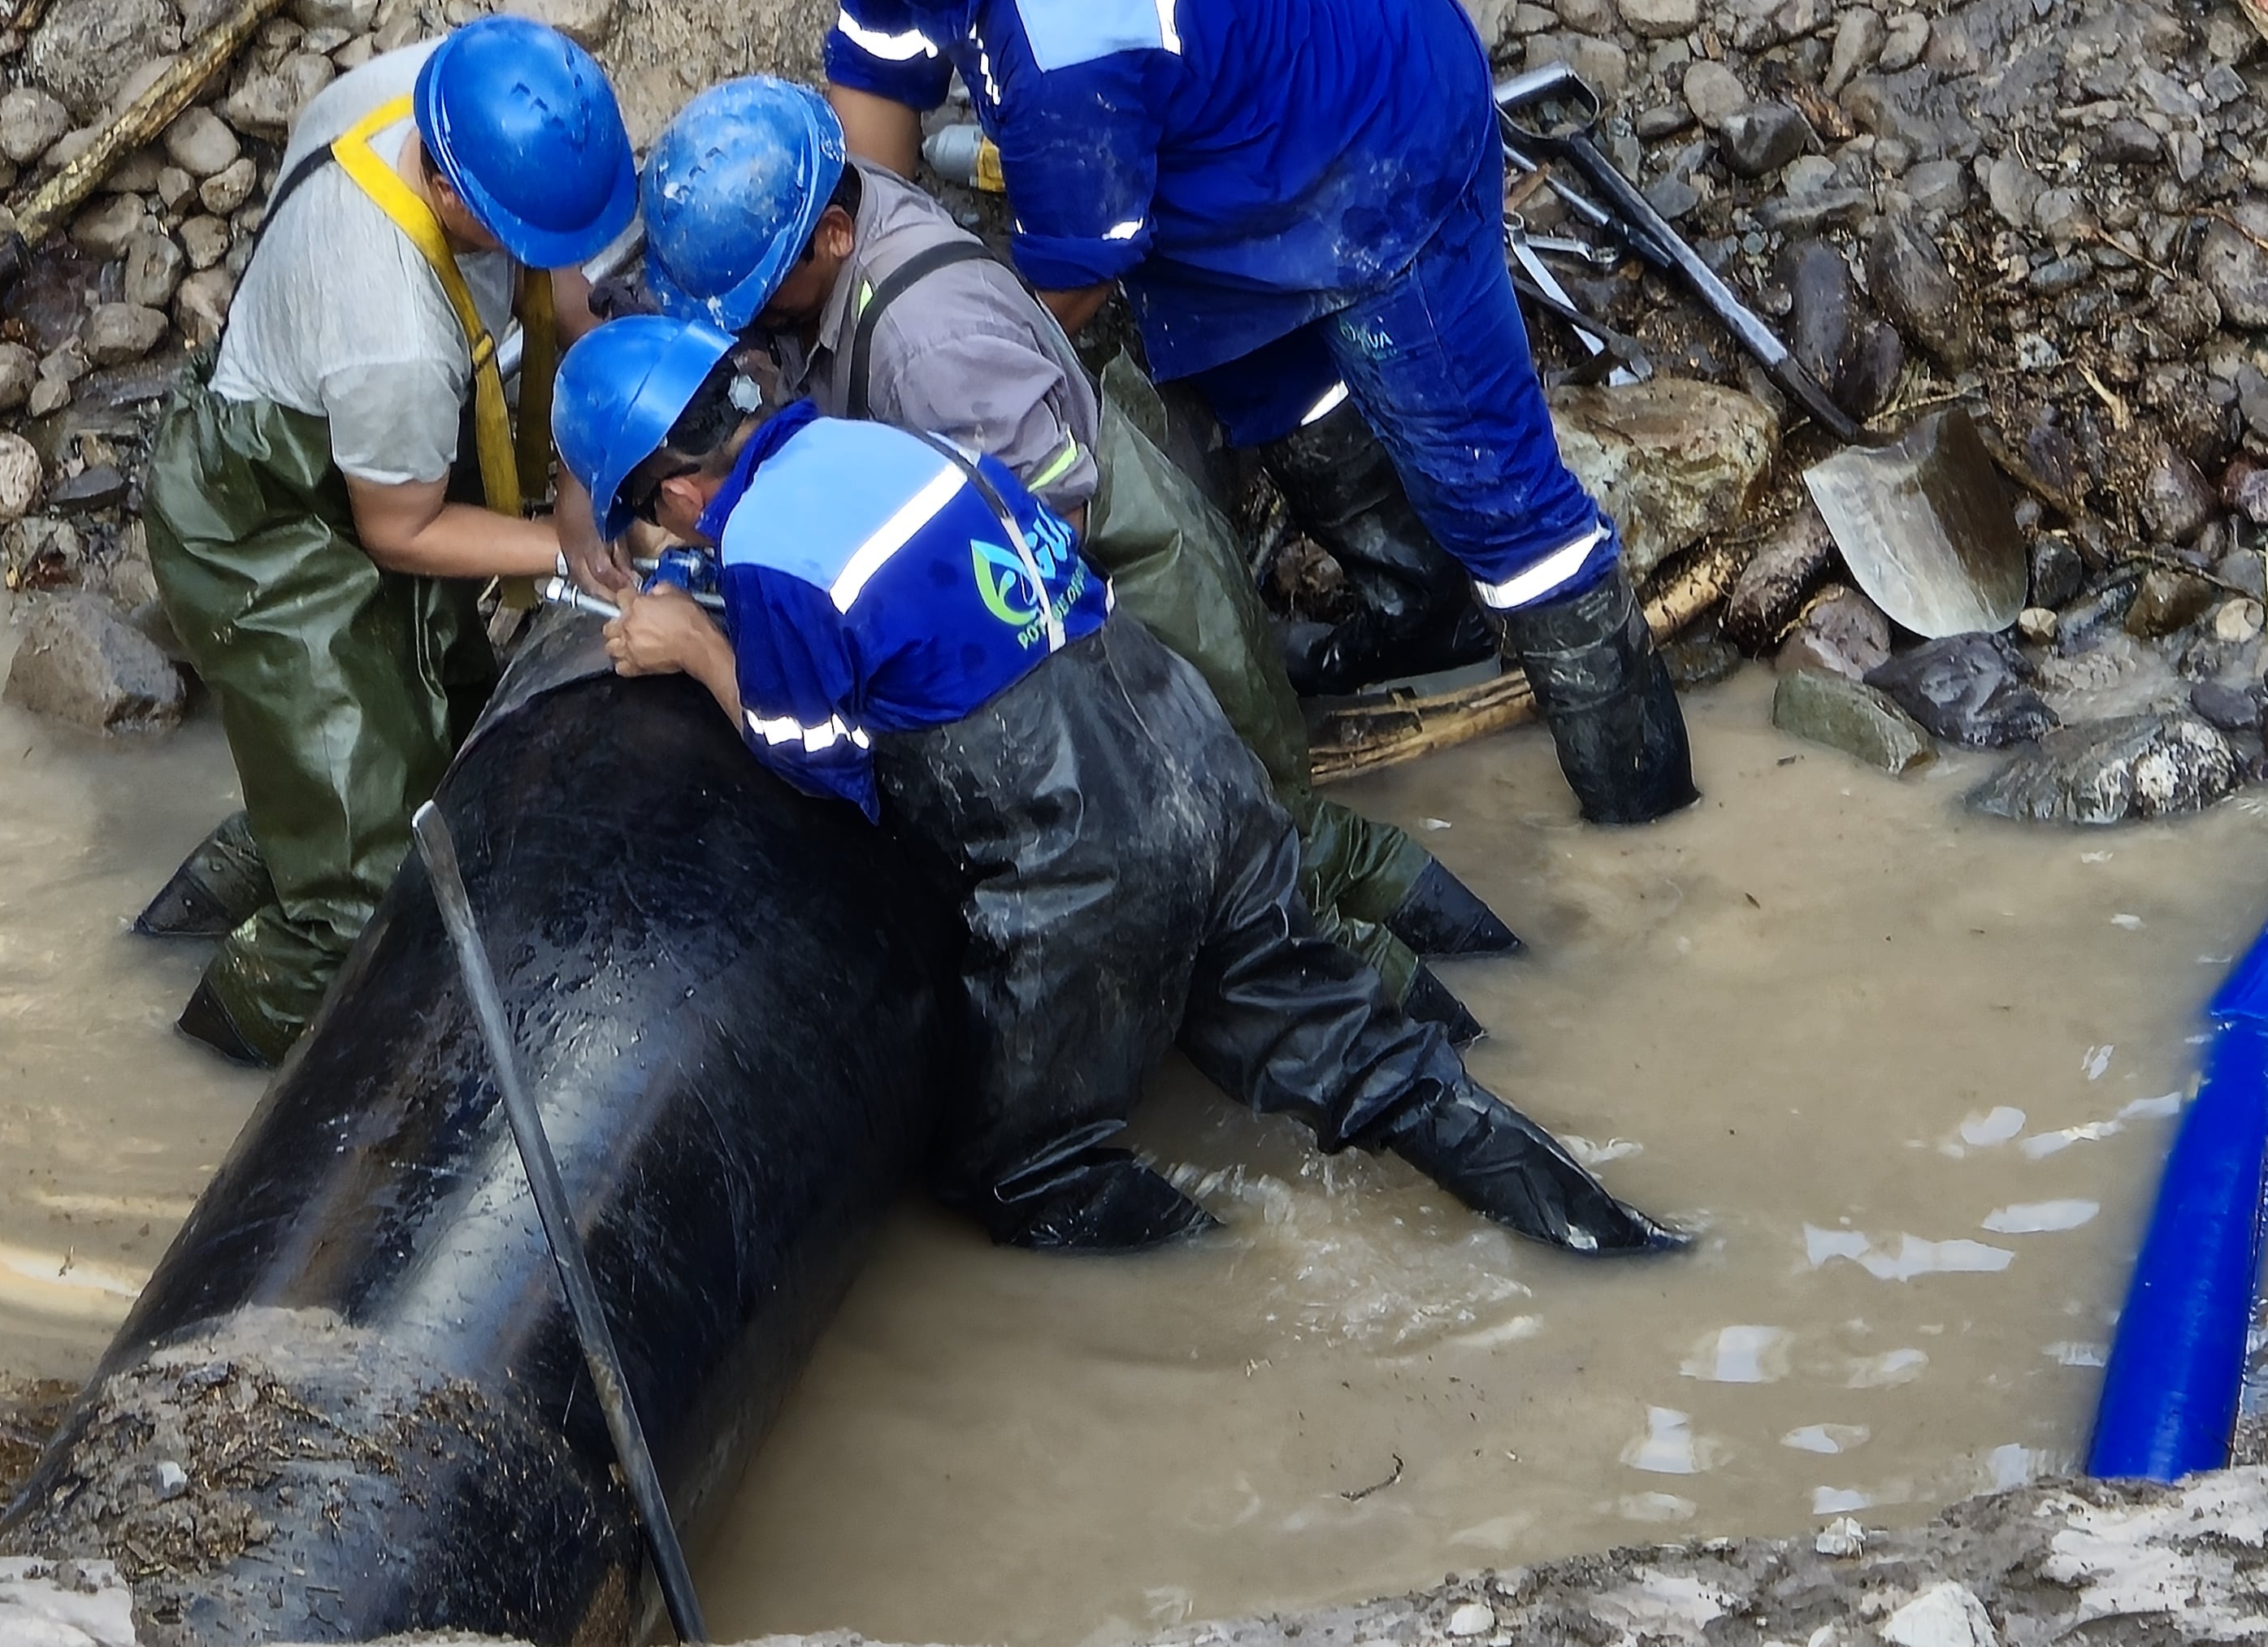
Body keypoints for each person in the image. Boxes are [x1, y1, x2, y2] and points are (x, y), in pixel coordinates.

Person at [551, 314, 1685, 1256]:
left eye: (643, 516)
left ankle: (1231, 1293)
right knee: (1359, 1062)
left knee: (1013, 1170)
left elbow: (818, 762)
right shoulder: (899, 448)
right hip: (1201, 771)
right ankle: (1623, 1243)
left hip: (1085, 857)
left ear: (679, 497)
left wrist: (697, 651)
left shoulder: (763, 554)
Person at [755, 0, 1693, 828]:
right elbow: (877, 82)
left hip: (1379, 144)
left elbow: (1067, 291)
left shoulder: (1061, 38)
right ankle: (1425, 621)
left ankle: (1643, 804)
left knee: (1495, 492)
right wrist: (871, 290)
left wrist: (922, 368)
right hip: (1242, 140)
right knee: (1281, 392)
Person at [632, 76, 1520, 1034]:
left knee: (1261, 871)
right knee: (1292, 832)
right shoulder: (845, 211)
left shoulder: (931, 348)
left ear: (833, 240)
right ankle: (1521, 988)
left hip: (1133, 597)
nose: (754, 327)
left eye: (763, 298)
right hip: (1125, 538)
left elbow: (1030, 544)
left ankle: (1467, 1048)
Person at [141, 14, 634, 1066]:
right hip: (262, 521)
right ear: (454, 195)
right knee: (361, 898)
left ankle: (252, 866)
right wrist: (566, 551)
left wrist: (610, 431)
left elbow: (573, 291)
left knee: (426, 739)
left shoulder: (423, 89)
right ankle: (202, 1070)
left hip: (350, 441)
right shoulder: (396, 339)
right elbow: (400, 531)